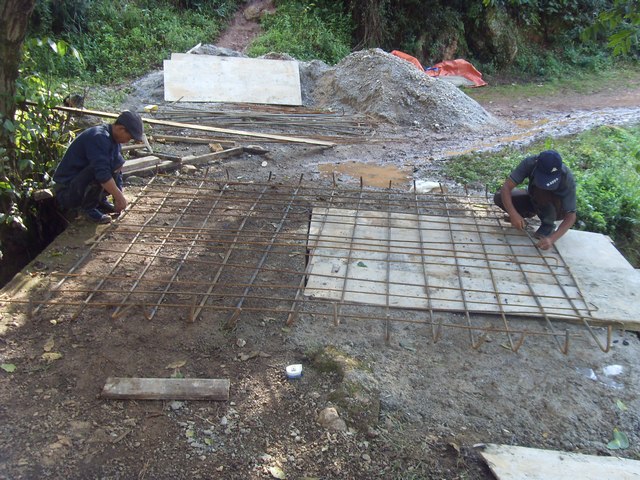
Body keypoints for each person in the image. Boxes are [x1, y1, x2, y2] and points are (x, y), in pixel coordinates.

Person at [53, 111, 144, 224]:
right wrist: (119, 197)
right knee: (100, 169)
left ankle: (99, 202)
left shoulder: (114, 141)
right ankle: (87, 209)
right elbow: (102, 174)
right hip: (67, 191)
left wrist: (117, 197)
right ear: (121, 129)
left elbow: (117, 170)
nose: (128, 141)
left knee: (115, 164)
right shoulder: (99, 137)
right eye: (129, 137)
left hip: (79, 185)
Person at [494, 149, 577, 250]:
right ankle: (524, 216)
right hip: (534, 198)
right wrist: (513, 214)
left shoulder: (566, 177)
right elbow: (506, 188)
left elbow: (571, 216)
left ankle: (548, 224)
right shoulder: (530, 163)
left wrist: (552, 239)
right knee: (499, 197)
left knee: (542, 192)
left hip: (558, 209)